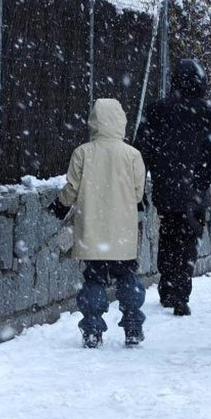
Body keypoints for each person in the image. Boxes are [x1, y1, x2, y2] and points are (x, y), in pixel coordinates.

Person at [47, 99, 148, 348]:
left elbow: (72, 188)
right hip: (122, 230)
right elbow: (138, 193)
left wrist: (59, 205)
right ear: (121, 121)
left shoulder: (83, 152)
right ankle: (133, 325)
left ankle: (92, 329)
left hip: (92, 230)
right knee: (127, 277)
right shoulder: (132, 154)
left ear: (94, 121)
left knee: (93, 280)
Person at [134, 59, 211, 316]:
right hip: (194, 189)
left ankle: (168, 287)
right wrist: (202, 181)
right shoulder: (208, 112)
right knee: (189, 239)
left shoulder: (158, 109)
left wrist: (143, 182)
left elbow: (142, 150)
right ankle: (181, 292)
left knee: (168, 236)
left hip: (166, 186)